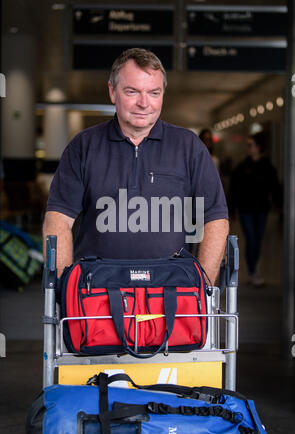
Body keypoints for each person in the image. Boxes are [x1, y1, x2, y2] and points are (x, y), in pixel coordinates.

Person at [43, 48, 229, 285]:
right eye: (132, 92)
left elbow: (215, 219)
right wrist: (64, 288)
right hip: (98, 293)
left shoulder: (189, 147)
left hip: (170, 293)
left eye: (154, 92)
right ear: (113, 92)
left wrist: (203, 288)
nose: (144, 103)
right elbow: (58, 220)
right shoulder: (84, 147)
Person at [228, 132, 282, 287]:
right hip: (246, 210)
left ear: (258, 147)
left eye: (250, 145)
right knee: (251, 239)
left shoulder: (267, 166)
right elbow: (234, 189)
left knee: (257, 241)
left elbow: (275, 186)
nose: (248, 148)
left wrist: (279, 205)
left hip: (262, 210)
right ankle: (252, 272)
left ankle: (254, 271)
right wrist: (232, 210)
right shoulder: (242, 167)